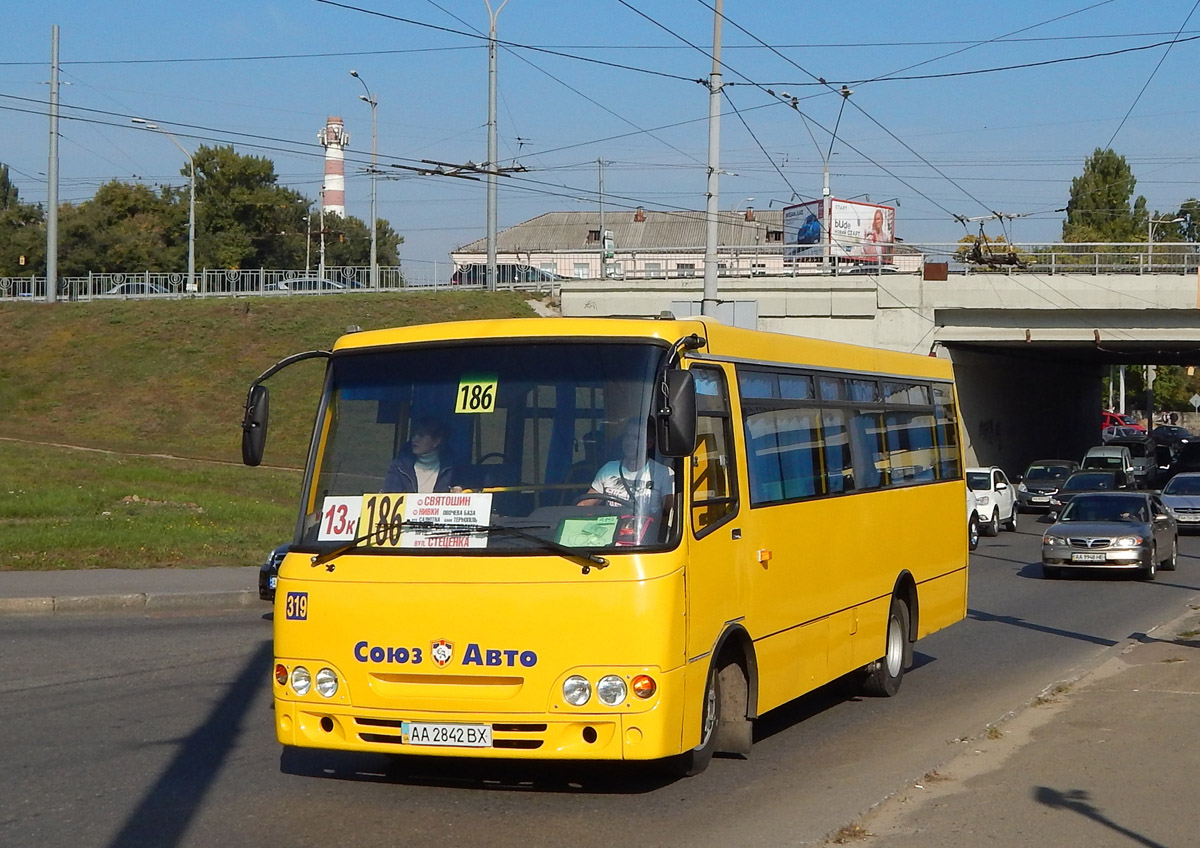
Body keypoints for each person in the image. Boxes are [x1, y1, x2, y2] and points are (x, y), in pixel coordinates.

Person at [581, 418, 674, 518]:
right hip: (612, 529)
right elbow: (585, 504)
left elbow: (672, 512)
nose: (629, 442)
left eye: (635, 438)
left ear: (649, 443)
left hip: (646, 531)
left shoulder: (664, 473)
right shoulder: (608, 469)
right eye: (627, 436)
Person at [382, 417, 462, 493]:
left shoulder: (452, 469)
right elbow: (390, 496)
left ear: (436, 441)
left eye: (421, 435)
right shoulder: (399, 467)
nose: (414, 439)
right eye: (414, 435)